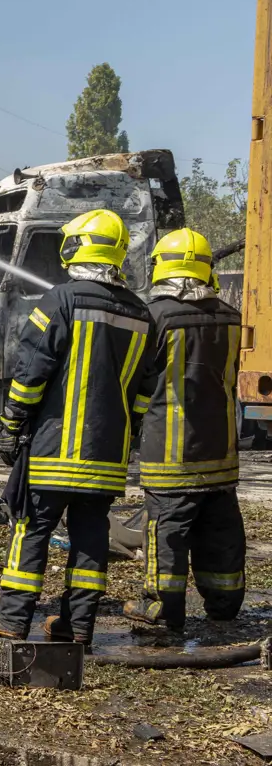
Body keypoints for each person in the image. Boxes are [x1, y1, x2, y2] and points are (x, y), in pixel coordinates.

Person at [0, 209, 153, 644]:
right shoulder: (141, 313)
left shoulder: (62, 299)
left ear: (77, 247)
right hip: (106, 455)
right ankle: (77, 628)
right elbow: (146, 392)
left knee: (31, 528)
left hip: (56, 450)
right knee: (92, 539)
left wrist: (11, 422)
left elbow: (31, 370)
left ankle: (14, 620)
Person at [124, 228, 245, 631]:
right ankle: (225, 605)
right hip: (221, 450)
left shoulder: (155, 317)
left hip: (171, 454)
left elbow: (139, 381)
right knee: (220, 530)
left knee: (168, 534)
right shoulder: (232, 317)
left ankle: (161, 612)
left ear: (162, 267)